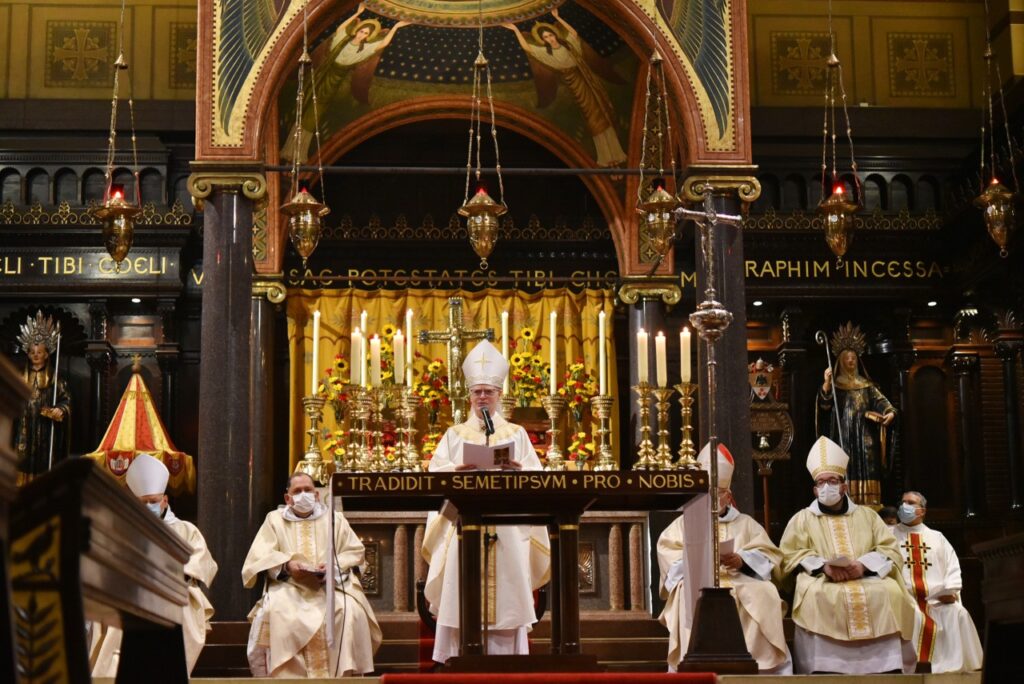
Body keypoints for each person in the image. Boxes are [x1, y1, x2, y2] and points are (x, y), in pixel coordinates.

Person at [422, 339, 551, 663]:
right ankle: (458, 659)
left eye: (488, 392)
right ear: (469, 396)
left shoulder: (516, 434)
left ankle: (508, 661)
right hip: (464, 528)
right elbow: (435, 474)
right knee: (460, 594)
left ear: (498, 395)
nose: (482, 397)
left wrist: (519, 469)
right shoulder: (454, 435)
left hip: (507, 528)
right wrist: (457, 468)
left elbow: (537, 476)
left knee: (508, 597)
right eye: (477, 392)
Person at [778, 436, 918, 673]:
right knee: (816, 595)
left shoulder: (868, 516)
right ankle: (825, 667)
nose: (826, 487)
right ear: (814, 489)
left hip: (867, 577)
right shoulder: (801, 519)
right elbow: (789, 555)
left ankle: (887, 666)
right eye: (820, 483)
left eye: (832, 480)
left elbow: (889, 549)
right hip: (822, 579)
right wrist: (824, 567)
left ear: (844, 486)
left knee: (890, 591)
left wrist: (863, 566)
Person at [657, 443, 792, 673]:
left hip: (739, 578)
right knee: (686, 593)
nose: (711, 498)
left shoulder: (746, 524)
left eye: (716, 493)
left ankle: (760, 664)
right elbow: (670, 561)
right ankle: (694, 659)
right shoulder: (683, 525)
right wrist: (698, 559)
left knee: (765, 592)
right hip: (698, 580)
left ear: (728, 496)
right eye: (705, 493)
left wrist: (742, 560)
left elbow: (769, 556)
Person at [242, 471, 381, 678]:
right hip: (289, 586)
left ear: (317, 495)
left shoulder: (335, 519)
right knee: (278, 610)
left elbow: (355, 552)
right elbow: (260, 557)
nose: (303, 495)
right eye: (297, 491)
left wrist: (333, 567)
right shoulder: (274, 520)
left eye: (308, 490)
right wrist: (288, 566)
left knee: (348, 609)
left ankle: (341, 677)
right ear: (287, 498)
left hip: (330, 586)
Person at [90, 454, 217, 676]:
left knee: (180, 606)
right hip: (132, 592)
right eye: (144, 502)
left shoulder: (186, 530)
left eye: (153, 501)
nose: (149, 506)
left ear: (165, 501)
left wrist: (172, 576)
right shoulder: (122, 529)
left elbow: (201, 561)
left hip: (175, 591)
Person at [503, 9, 627, 167]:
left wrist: (558, 17)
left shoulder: (568, 45)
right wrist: (516, 30)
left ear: (555, 35)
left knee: (603, 110)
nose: (550, 38)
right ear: (543, 40)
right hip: (574, 84)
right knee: (592, 119)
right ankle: (605, 156)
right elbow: (528, 48)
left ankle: (618, 153)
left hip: (586, 78)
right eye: (546, 37)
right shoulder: (545, 53)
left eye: (551, 35)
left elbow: (574, 33)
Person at [892, 490, 983, 672]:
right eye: (903, 502)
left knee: (958, 613)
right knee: (914, 615)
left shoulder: (937, 538)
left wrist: (951, 592)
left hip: (937, 599)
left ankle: (959, 666)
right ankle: (912, 666)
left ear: (922, 511)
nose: (905, 506)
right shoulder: (889, 535)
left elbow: (952, 567)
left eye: (910, 503)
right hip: (905, 597)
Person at [816, 322, 896, 507]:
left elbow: (884, 404)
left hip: (865, 434)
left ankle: (870, 502)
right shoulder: (835, 385)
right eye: (847, 358)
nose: (851, 361)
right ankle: (844, 500)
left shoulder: (866, 385)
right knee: (844, 464)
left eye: (853, 358)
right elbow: (824, 407)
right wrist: (827, 384)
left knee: (868, 465)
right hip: (842, 433)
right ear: (841, 361)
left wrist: (889, 414)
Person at [14, 310, 71, 484]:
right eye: (32, 352)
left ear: (47, 354)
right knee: (21, 462)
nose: (35, 355)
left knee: (44, 462)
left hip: (45, 430)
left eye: (39, 352)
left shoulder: (55, 381)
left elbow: (66, 400)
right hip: (23, 427)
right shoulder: (18, 377)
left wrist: (59, 410)